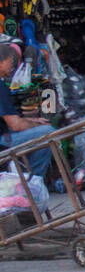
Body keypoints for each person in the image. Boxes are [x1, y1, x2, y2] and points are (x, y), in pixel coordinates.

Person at [0, 40, 54, 180]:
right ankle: (33, 181)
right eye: (9, 60)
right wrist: (38, 125)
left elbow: (7, 119)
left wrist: (32, 120)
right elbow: (15, 125)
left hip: (4, 135)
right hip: (2, 142)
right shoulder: (0, 87)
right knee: (47, 132)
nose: (12, 64)